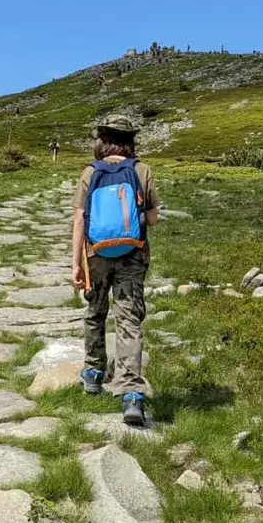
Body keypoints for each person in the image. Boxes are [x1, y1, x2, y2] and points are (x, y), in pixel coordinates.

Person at [71, 115, 161, 426]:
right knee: (129, 320)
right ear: (130, 141)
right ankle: (131, 394)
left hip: (96, 254)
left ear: (103, 140)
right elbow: (152, 220)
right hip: (132, 256)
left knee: (96, 311)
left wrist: (75, 263)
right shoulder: (141, 170)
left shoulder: (90, 172)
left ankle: (94, 373)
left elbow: (79, 221)